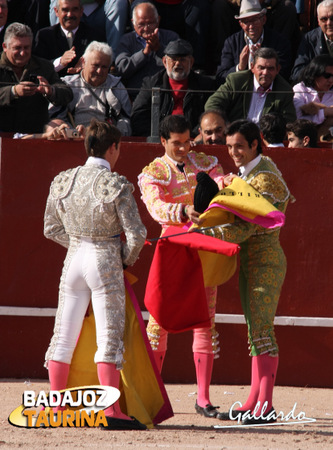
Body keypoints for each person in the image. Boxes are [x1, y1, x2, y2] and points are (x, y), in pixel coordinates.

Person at [43, 118, 147, 430]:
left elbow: (50, 229)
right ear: (114, 148)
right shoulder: (114, 184)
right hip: (104, 263)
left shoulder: (63, 180)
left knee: (63, 336)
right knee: (108, 337)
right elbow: (137, 234)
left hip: (74, 261)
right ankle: (111, 411)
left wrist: (76, 243)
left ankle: (58, 407)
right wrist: (123, 259)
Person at [197, 119, 292, 424]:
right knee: (255, 333)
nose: (233, 152)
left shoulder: (264, 180)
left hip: (265, 262)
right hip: (252, 262)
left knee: (263, 332)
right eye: (229, 147)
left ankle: (265, 406)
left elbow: (245, 229)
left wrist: (203, 235)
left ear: (255, 144)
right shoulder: (254, 173)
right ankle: (254, 401)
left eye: (239, 146)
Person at [138, 114, 225, 419]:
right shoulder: (153, 172)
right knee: (159, 322)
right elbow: (155, 206)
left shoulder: (206, 162)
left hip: (203, 248)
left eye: (187, 141)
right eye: (176, 143)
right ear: (163, 142)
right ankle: (152, 396)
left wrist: (221, 189)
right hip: (173, 250)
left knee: (205, 319)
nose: (184, 148)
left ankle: (203, 398)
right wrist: (185, 210)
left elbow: (221, 186)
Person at [131, 39, 216, 137]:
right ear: (164, 61)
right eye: (173, 59)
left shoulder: (205, 85)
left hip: (192, 139)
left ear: (191, 62)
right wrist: (159, 137)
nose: (178, 64)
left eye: (182, 60)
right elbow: (138, 115)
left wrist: (193, 136)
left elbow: (210, 115)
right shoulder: (151, 83)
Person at [0, 22, 73, 134]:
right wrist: (13, 91)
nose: (23, 52)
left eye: (26, 47)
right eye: (17, 48)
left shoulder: (44, 66)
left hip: (35, 136)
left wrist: (50, 90)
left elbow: (67, 94)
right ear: (5, 47)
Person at [49, 41, 131, 135]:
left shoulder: (117, 86)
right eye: (95, 65)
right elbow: (56, 119)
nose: (99, 71)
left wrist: (115, 134)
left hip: (106, 140)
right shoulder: (67, 85)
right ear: (83, 62)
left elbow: (125, 119)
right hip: (74, 139)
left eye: (104, 67)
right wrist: (74, 133)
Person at [205, 47, 296, 125]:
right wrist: (226, 125)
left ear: (278, 69)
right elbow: (212, 104)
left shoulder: (285, 90)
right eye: (261, 68)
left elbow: (289, 122)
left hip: (264, 140)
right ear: (252, 67)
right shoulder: (236, 81)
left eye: (270, 68)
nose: (265, 73)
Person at [215, 0, 292, 85]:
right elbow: (221, 77)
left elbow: (284, 75)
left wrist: (263, 61)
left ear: (263, 19)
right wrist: (240, 67)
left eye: (255, 20)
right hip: (239, 94)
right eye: (246, 21)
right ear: (241, 24)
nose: (251, 26)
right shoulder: (231, 43)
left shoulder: (279, 42)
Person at [114, 2, 178, 100]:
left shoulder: (171, 37)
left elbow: (179, 64)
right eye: (141, 24)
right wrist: (144, 53)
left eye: (150, 23)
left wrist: (159, 49)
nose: (146, 28)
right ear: (133, 23)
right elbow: (121, 69)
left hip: (166, 95)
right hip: (135, 95)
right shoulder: (126, 40)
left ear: (158, 20)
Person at [34, 0, 105, 78]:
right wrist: (60, 62)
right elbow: (37, 67)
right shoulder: (44, 35)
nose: (70, 14)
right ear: (56, 11)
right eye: (65, 10)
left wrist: (86, 67)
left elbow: (103, 65)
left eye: (74, 9)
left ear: (81, 11)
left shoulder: (94, 36)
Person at [49, 0, 128, 53]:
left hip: (101, 12)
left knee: (119, 2)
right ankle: (60, 51)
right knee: (58, 2)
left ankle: (113, 59)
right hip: (74, 10)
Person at [291, 0, 333, 83]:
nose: (329, 23)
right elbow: (297, 73)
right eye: (324, 19)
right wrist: (319, 72)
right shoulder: (309, 39)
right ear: (318, 21)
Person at [293, 55, 333, 139]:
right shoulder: (299, 89)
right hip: (302, 141)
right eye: (327, 76)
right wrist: (325, 112)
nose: (331, 80)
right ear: (315, 73)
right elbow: (298, 120)